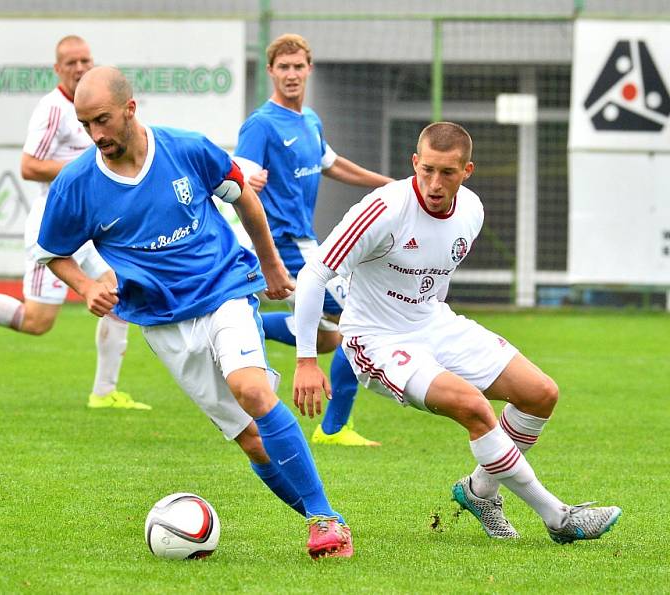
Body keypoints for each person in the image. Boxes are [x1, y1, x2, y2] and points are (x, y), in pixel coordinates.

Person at [34, 65, 352, 558]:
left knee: (252, 389)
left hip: (225, 289)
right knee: (251, 442)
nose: (96, 135)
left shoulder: (186, 149)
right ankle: (323, 516)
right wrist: (84, 284)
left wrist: (270, 268)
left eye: (102, 120)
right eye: (86, 125)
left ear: (130, 109)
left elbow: (243, 194)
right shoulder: (77, 184)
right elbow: (53, 250)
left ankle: (324, 519)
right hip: (163, 322)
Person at [292, 121, 622, 543]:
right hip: (376, 340)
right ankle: (559, 518)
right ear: (414, 162)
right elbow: (314, 274)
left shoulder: (472, 211)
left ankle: (480, 491)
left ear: (467, 171)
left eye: (447, 172)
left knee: (540, 393)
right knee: (472, 405)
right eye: (426, 169)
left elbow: (430, 280)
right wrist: (306, 359)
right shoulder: (383, 209)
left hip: (433, 323)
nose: (433, 182)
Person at [0, 36, 148, 411]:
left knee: (116, 290)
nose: (80, 68)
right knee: (37, 321)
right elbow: (28, 166)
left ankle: (104, 392)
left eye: (85, 60)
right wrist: (83, 169)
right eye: (71, 62)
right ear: (57, 69)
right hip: (54, 222)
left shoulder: (99, 106)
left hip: (90, 224)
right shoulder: (52, 109)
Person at [233, 33, 394, 447]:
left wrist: (391, 187)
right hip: (282, 244)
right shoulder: (261, 125)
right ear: (270, 72)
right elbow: (239, 182)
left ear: (309, 69)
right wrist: (247, 180)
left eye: (297, 66)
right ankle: (334, 430)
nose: (291, 74)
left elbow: (334, 164)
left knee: (327, 338)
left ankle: (249, 326)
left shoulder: (310, 120)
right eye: (282, 67)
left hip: (307, 242)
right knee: (360, 319)